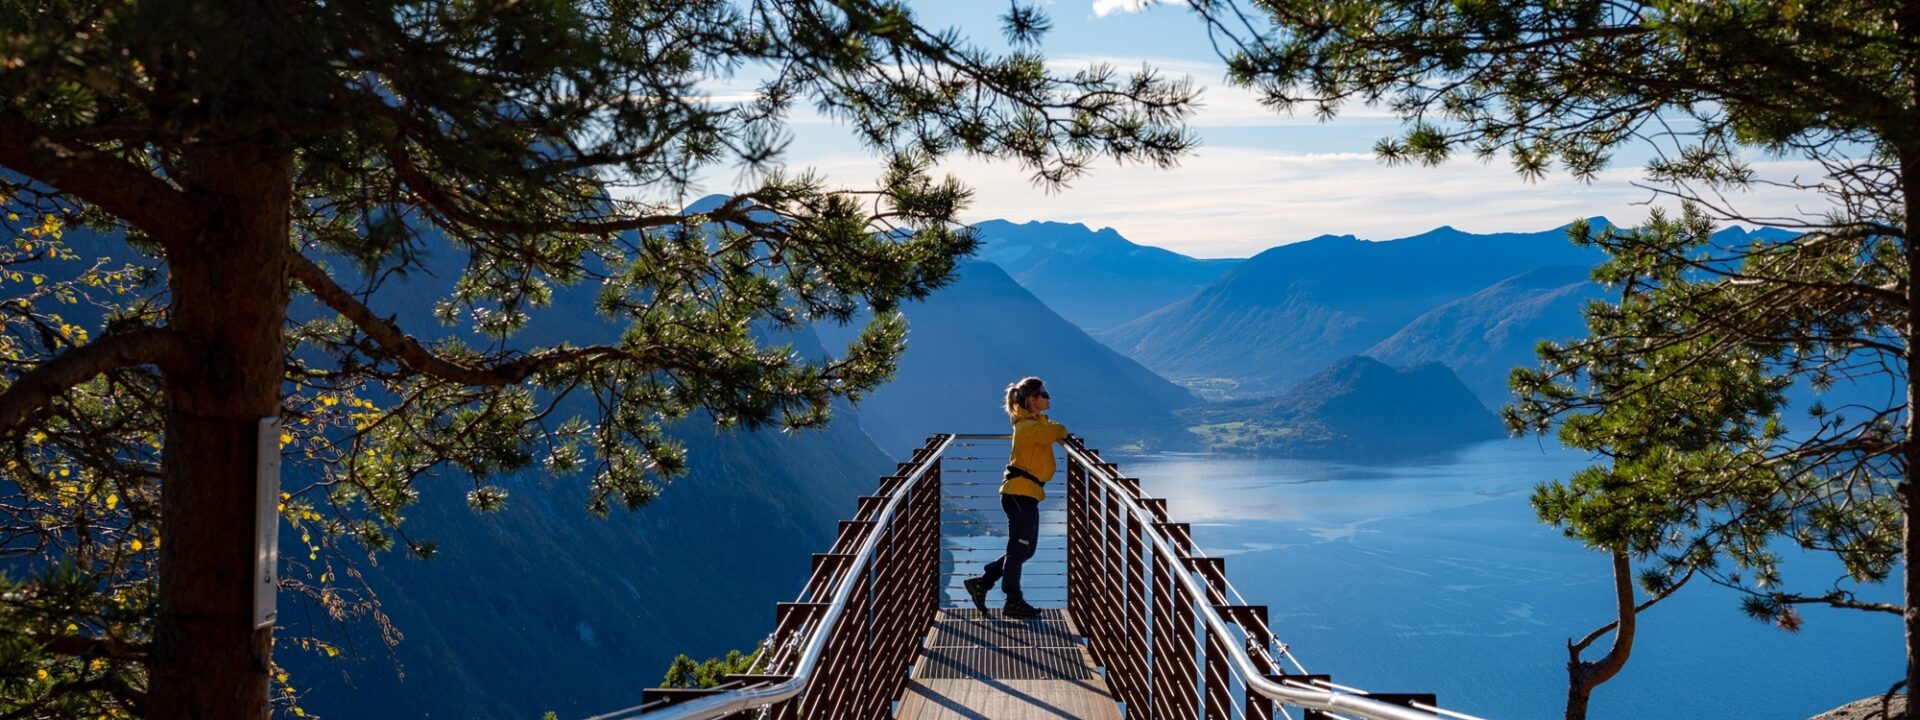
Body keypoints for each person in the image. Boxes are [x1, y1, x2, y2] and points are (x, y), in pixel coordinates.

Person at [964, 376, 1068, 620]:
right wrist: (1056, 429)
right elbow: (1057, 431)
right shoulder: (1031, 428)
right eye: (1044, 394)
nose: (1048, 397)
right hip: (1020, 492)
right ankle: (1013, 600)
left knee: (1025, 549)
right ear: (1033, 400)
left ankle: (984, 581)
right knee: (1019, 548)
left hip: (1025, 493)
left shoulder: (1032, 423)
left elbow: (1050, 431)